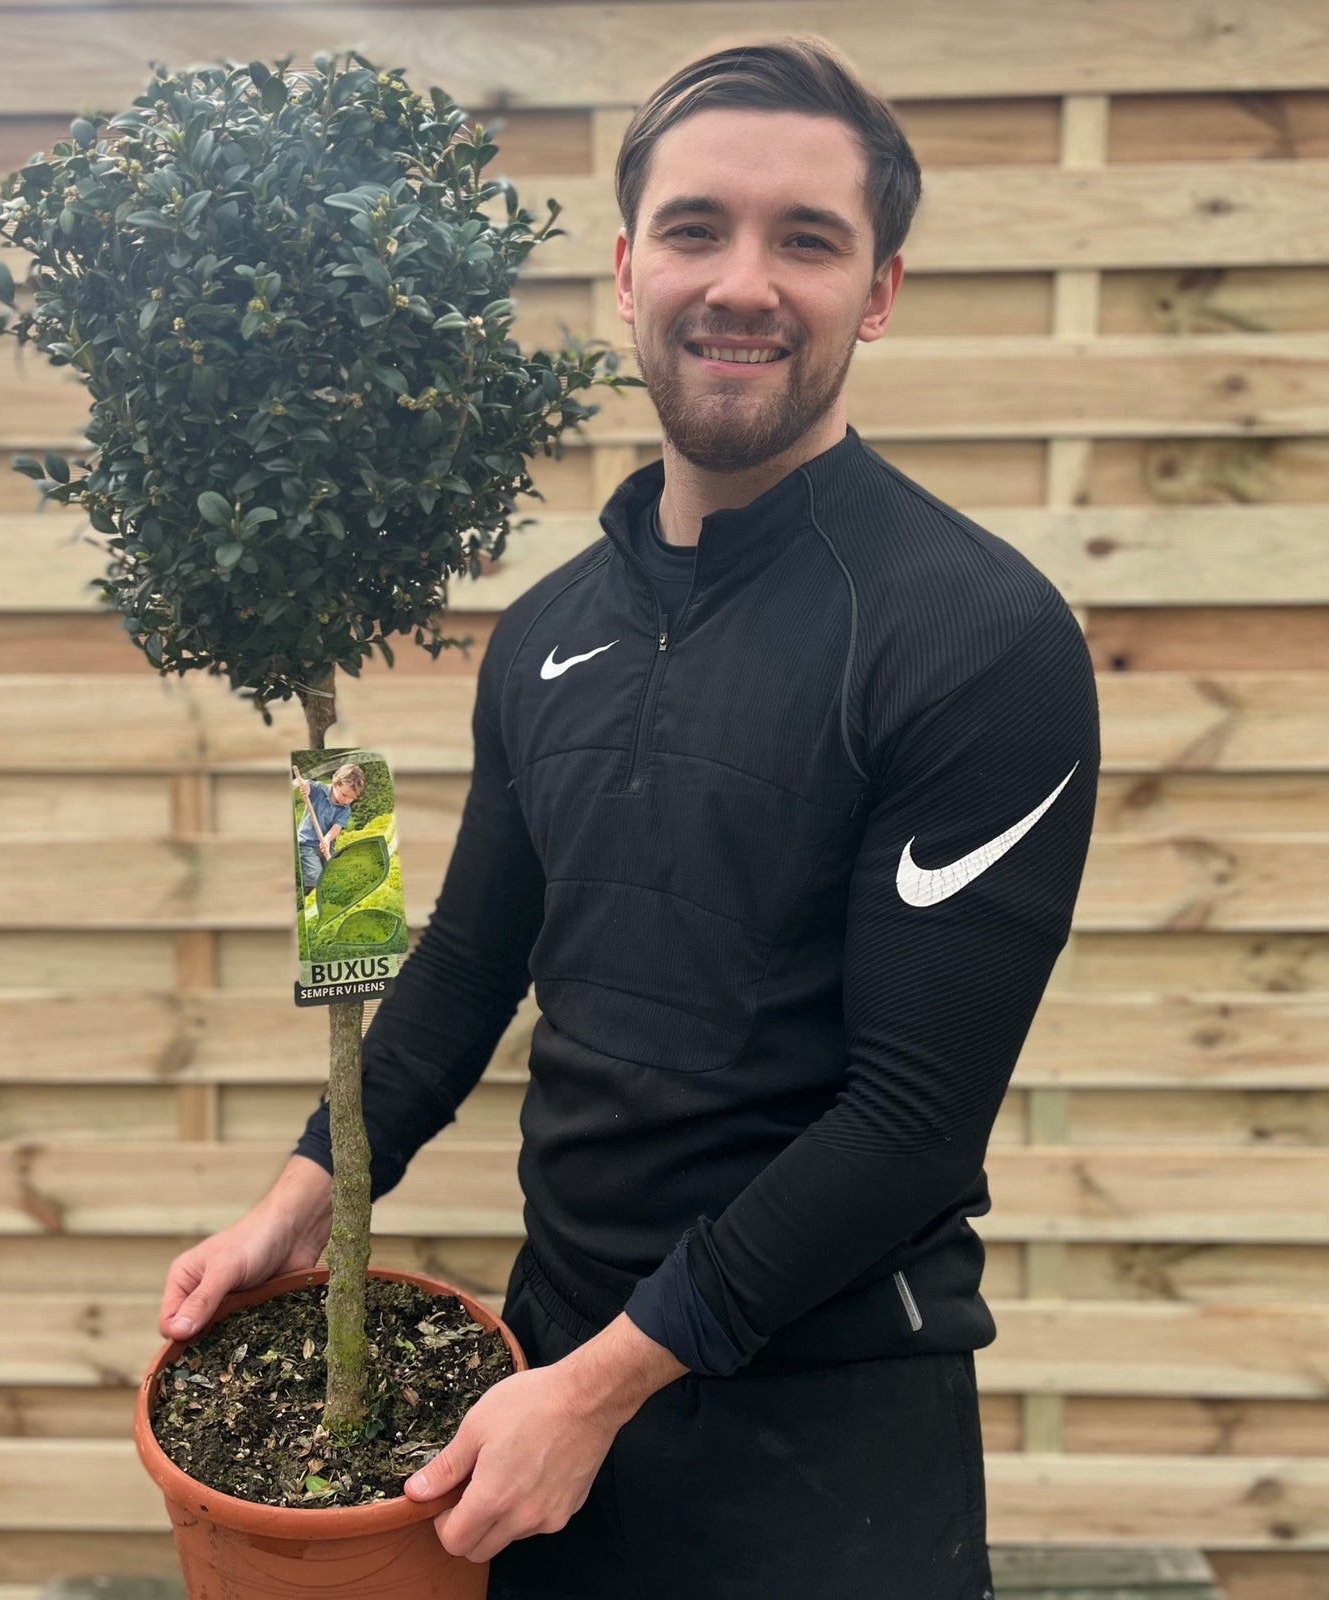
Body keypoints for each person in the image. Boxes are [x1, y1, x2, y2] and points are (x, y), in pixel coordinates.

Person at [159, 33, 1099, 1600]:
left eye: (807, 239)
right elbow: (466, 969)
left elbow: (912, 1122)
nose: (743, 281)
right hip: (540, 1397)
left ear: (879, 292)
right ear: (622, 268)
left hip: (828, 1424)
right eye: (695, 227)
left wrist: (602, 1386)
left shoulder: (972, 637)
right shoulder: (546, 631)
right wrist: (298, 1198)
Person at [293, 763, 365, 904]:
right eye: (344, 795)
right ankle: (306, 904)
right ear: (335, 783)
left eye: (352, 798)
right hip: (307, 844)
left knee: (329, 877)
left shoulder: (345, 809)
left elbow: (337, 827)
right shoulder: (319, 790)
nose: (347, 800)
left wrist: (327, 839)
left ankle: (326, 903)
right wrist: (303, 785)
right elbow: (298, 782)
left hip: (327, 846)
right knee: (315, 876)